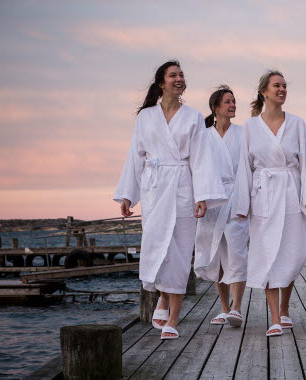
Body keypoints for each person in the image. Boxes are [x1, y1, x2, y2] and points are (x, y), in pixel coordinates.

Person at [114, 60, 227, 340]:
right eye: (173, 75)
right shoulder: (145, 117)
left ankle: (174, 316)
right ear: (161, 82)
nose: (179, 79)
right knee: (156, 247)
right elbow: (135, 156)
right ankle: (163, 297)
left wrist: (202, 195)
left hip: (182, 187)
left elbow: (201, 158)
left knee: (178, 249)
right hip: (154, 189)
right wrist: (129, 194)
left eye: (181, 75)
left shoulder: (192, 117)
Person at [232, 70, 306, 337]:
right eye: (276, 85)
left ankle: (285, 307)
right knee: (267, 252)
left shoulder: (297, 123)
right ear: (264, 92)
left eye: (284, 85)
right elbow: (243, 168)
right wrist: (242, 204)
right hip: (264, 195)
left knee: (293, 252)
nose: (282, 89)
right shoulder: (250, 127)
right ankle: (274, 317)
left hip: (292, 192)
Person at [194, 86, 249, 328]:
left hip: (237, 196)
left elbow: (250, 169)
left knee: (237, 252)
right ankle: (224, 308)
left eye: (234, 101)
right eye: (228, 102)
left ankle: (236, 308)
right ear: (215, 107)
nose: (233, 105)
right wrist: (200, 198)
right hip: (213, 199)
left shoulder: (244, 133)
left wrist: (248, 200)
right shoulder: (204, 136)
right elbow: (198, 170)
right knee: (215, 253)